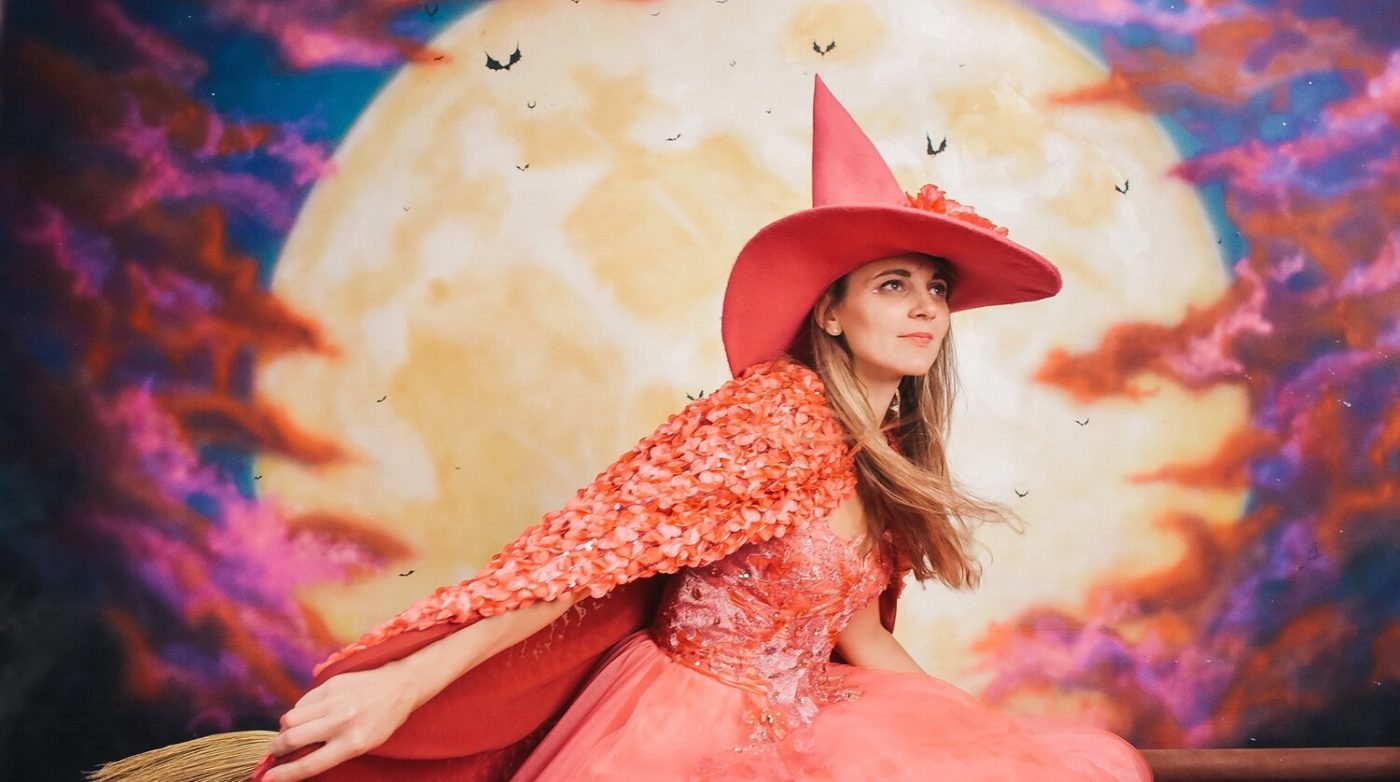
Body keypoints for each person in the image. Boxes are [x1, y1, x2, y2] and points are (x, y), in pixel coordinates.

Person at [236, 75, 1154, 781]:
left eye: (936, 288)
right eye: (892, 284)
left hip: (808, 718)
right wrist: (405, 684)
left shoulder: (887, 451)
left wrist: (988, 742)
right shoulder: (770, 416)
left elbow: (865, 636)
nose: (925, 309)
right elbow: (585, 556)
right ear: (830, 313)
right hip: (679, 729)